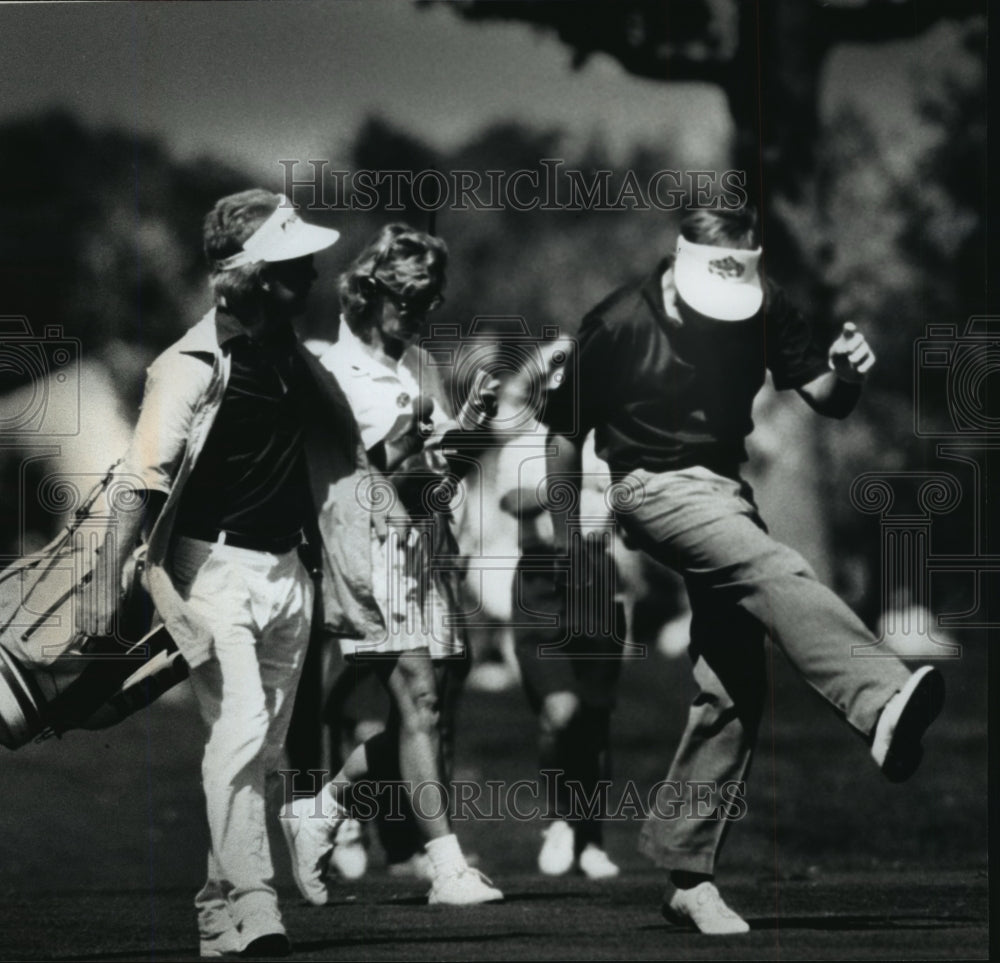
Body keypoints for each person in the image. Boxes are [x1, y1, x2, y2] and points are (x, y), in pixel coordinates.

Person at [540, 205, 945, 935]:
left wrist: (848, 373)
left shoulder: (763, 303)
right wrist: (573, 548)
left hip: (724, 489)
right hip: (646, 486)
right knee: (773, 565)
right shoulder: (618, 320)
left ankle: (686, 873)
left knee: (732, 678)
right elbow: (564, 438)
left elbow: (823, 395)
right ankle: (880, 696)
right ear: (680, 265)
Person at [88, 189, 385, 958]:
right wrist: (107, 588)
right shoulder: (188, 364)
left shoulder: (294, 360)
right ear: (251, 278)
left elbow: (350, 457)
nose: (314, 276)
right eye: (295, 266)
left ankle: (216, 911)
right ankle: (258, 901)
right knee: (241, 727)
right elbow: (141, 478)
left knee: (260, 747)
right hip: (210, 569)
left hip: (290, 575)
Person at [281, 223, 503, 906]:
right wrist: (426, 440)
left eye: (429, 302)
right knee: (419, 699)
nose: (418, 315)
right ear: (371, 295)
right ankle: (445, 865)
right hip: (370, 548)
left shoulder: (418, 365)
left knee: (431, 702)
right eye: (409, 302)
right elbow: (384, 470)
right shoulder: (336, 370)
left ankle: (321, 810)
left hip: (425, 548)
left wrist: (468, 430)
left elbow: (437, 475)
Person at [500, 476, 625, 880]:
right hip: (543, 573)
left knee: (595, 720)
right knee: (559, 711)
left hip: (596, 571)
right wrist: (569, 484)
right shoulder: (527, 431)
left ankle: (591, 838)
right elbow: (513, 500)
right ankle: (560, 820)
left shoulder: (609, 439)